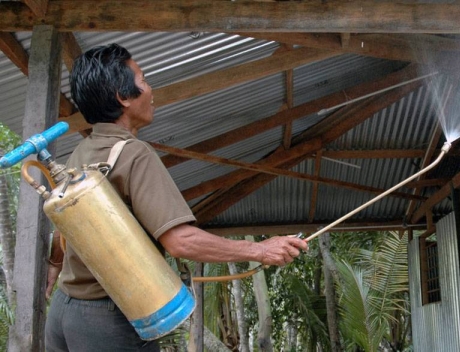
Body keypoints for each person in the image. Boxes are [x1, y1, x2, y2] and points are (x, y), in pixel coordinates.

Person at [45, 43, 308, 352]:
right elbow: (180, 241)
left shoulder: (82, 151)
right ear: (123, 96)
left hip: (64, 313)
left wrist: (54, 263)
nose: (150, 89)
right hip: (109, 322)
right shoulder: (134, 154)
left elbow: (65, 222)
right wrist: (260, 249)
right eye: (143, 80)